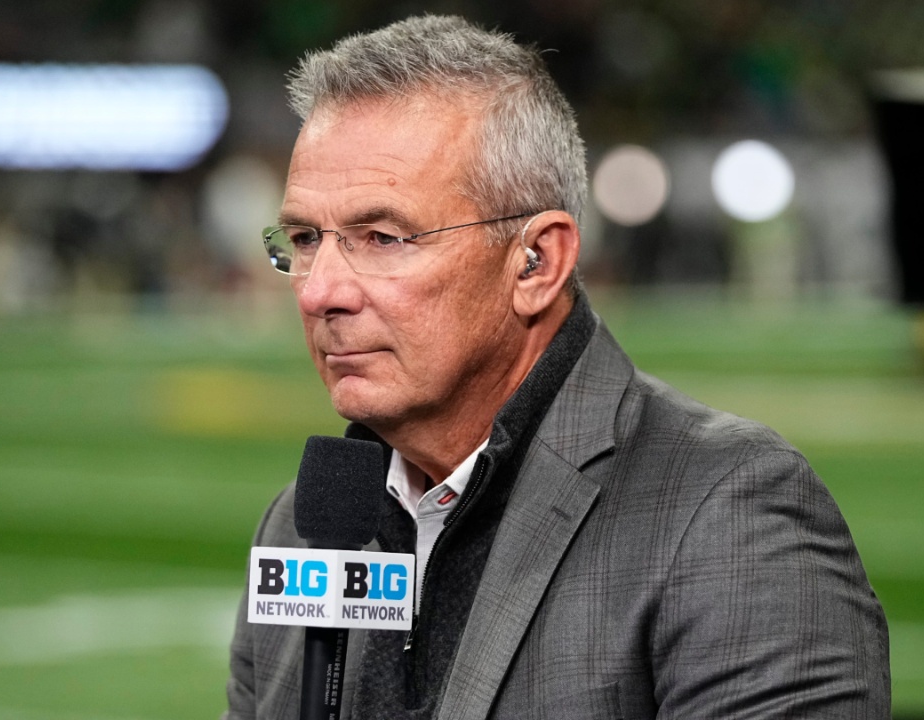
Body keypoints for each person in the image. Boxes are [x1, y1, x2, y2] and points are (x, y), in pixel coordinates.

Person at [226, 14, 889, 720]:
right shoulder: (302, 527)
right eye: (303, 239)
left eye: (383, 237)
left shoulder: (726, 515)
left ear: (536, 263)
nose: (321, 290)